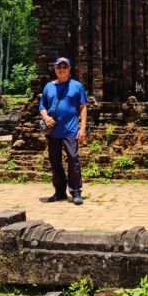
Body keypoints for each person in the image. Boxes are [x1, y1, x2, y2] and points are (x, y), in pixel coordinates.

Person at [39, 56, 88, 204]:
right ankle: (59, 192)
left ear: (69, 69)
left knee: (73, 159)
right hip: (53, 132)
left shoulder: (77, 86)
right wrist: (46, 117)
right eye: (59, 67)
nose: (61, 69)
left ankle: (76, 191)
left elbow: (83, 107)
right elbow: (42, 106)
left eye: (64, 67)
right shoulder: (48, 87)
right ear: (55, 69)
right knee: (55, 161)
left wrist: (83, 128)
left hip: (71, 130)